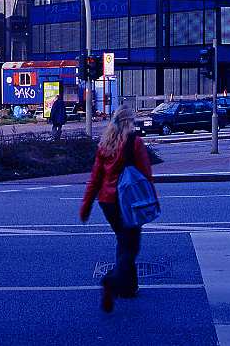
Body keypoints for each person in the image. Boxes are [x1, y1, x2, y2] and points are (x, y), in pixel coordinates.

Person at [79, 106, 154, 313]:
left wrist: (86, 205)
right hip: (129, 202)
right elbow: (146, 175)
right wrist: (152, 199)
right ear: (130, 122)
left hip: (107, 202)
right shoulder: (135, 143)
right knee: (132, 246)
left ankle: (129, 287)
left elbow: (95, 177)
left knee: (123, 241)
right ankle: (112, 281)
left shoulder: (105, 144)